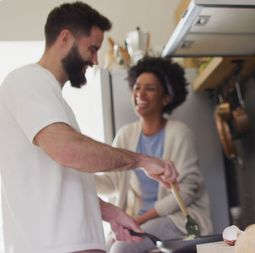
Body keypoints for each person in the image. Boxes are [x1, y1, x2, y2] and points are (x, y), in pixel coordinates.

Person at [0, 2, 179, 253]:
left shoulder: (51, 97)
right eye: (92, 49)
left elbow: (58, 181)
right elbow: (69, 151)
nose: (95, 60)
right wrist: (140, 160)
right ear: (65, 37)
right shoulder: (27, 81)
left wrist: (111, 213)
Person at [95, 56, 213, 253]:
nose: (140, 93)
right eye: (137, 87)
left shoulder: (179, 132)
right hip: (137, 219)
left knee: (120, 250)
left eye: (149, 88)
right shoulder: (126, 134)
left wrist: (137, 220)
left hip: (175, 219)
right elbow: (111, 182)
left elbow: (189, 188)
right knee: (101, 248)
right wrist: (77, 171)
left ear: (165, 98)